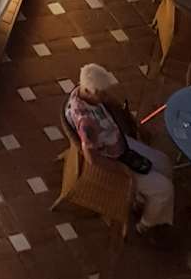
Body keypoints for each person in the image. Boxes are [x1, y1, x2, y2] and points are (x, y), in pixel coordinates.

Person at [65, 63, 174, 234]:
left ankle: (141, 200)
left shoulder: (83, 91)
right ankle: (146, 225)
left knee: (164, 163)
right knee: (165, 189)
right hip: (114, 159)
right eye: (102, 93)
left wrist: (134, 123)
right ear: (88, 91)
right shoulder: (85, 123)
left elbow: (110, 101)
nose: (105, 96)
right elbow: (92, 159)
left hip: (119, 143)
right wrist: (123, 170)